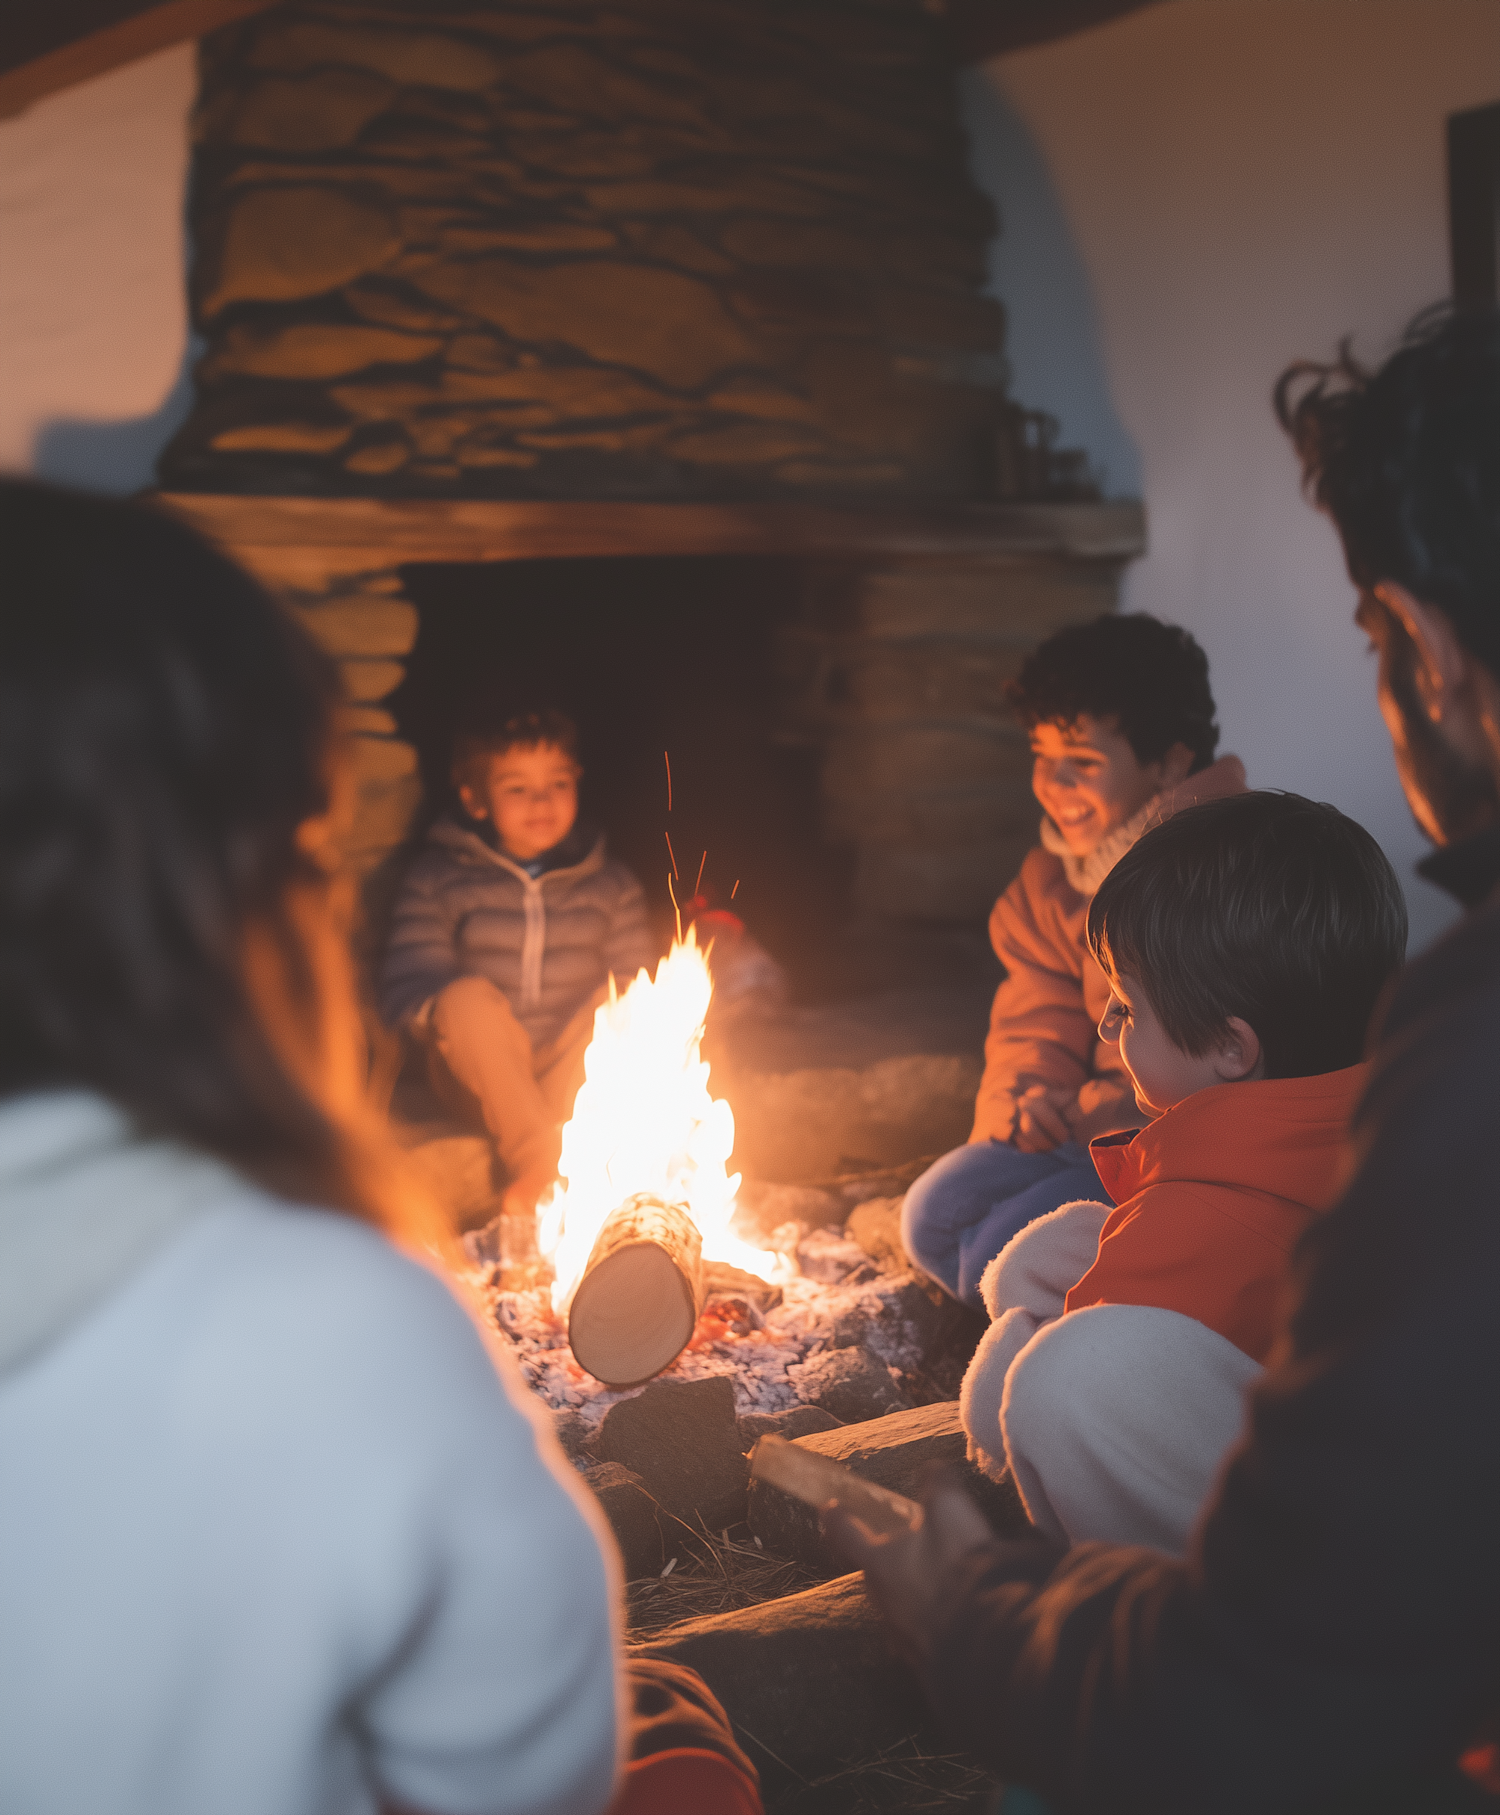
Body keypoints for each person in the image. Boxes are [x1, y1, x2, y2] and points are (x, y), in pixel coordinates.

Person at [827, 306, 1500, 1812]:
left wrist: (976, 1621)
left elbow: (1305, 1651)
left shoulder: (1466, 1048)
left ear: (1435, 652)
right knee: (989, 1231)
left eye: (1374, 640)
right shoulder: (1424, 1030)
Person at [0, 481, 759, 1815]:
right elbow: (528, 1754)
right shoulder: (329, 1316)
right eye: (308, 851)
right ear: (232, 890)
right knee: (685, 1749)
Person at [959, 791, 1405, 1554]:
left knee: (1049, 1381)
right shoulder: (1378, 1122)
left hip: (1327, 1542)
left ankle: (1141, 1588)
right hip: (1362, 1435)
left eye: (1127, 1009)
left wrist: (1010, 1363)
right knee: (1058, 1244)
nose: (1106, 1025)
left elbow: (1060, 1381)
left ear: (1233, 1049)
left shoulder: (1192, 1209)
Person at [902, 613, 1246, 1309]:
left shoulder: (1218, 878)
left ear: (1170, 763)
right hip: (1080, 1130)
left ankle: (1088, 1286)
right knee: (930, 1211)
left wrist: (1097, 1110)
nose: (1053, 783)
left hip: (1178, 1146)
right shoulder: (1051, 885)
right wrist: (1024, 1105)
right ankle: (1044, 1282)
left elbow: (1212, 1074)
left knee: (1002, 1239)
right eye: (1042, 754)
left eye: (1082, 762)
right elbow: (1037, 1018)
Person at [380, 711, 655, 1217]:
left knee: (632, 1001)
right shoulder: (439, 880)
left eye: (558, 783)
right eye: (517, 789)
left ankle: (610, 1164)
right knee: (463, 999)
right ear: (475, 799)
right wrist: (446, 1015)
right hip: (480, 1078)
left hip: (570, 1076)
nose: (543, 802)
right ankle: (540, 1163)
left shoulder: (611, 886)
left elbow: (634, 985)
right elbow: (408, 986)